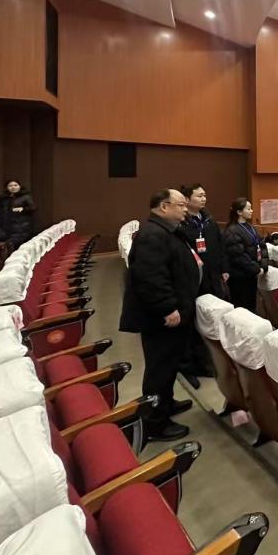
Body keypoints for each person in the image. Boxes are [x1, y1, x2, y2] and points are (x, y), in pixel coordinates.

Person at [119, 189, 200, 441]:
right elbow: (150, 277)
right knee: (159, 369)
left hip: (172, 313)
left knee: (169, 365)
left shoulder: (167, 231)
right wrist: (167, 307)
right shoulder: (152, 236)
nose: (185, 209)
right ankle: (155, 423)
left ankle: (166, 403)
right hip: (162, 318)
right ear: (164, 207)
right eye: (181, 205)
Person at [177, 183, 228, 388]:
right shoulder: (182, 225)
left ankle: (209, 360)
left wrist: (224, 269)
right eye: (199, 195)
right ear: (187, 199)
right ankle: (193, 363)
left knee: (211, 320)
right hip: (193, 281)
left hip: (212, 279)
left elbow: (220, 247)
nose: (204, 199)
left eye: (205, 195)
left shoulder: (209, 221)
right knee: (195, 322)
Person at [221, 197, 263, 311]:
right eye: (248, 209)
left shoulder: (251, 227)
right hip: (240, 276)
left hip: (251, 273)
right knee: (242, 307)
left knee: (251, 305)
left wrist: (262, 265)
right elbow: (238, 256)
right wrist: (256, 268)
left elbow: (261, 245)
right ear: (239, 212)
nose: (251, 211)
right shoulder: (232, 230)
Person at [0, 179, 36, 247]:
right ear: (7, 187)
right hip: (6, 224)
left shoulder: (25, 196)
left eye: (15, 185)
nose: (13, 187)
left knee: (17, 244)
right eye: (10, 186)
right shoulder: (3, 197)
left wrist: (23, 209)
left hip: (21, 226)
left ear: (19, 186)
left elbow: (33, 207)